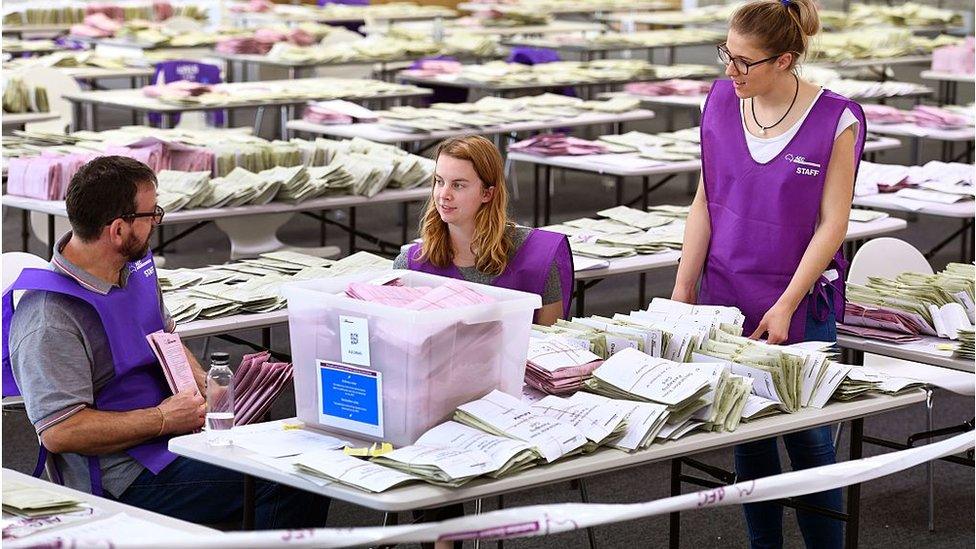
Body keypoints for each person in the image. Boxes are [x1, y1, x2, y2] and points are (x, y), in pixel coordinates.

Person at [2, 156, 330, 528]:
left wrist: (201, 383)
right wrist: (163, 418)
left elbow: (164, 336)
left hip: (178, 438)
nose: (157, 222)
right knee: (292, 483)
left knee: (305, 458)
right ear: (118, 230)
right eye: (151, 215)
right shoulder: (49, 316)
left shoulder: (131, 270)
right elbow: (61, 431)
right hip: (123, 478)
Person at [671, 1, 866, 547]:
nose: (729, 71)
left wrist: (785, 305)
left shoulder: (837, 119)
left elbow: (833, 225)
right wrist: (685, 289)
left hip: (799, 298)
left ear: (784, 60)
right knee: (748, 437)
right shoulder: (718, 101)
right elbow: (706, 200)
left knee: (808, 441)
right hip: (726, 291)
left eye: (744, 62)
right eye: (725, 55)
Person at [394, 135, 574, 326]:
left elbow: (550, 347)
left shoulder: (539, 260)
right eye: (439, 181)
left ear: (487, 193)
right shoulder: (409, 266)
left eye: (458, 185)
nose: (443, 195)